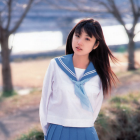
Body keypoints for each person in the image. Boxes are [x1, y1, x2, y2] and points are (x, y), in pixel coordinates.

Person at [39, 18, 119, 140]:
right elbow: (44, 101)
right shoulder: (56, 65)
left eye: (87, 39)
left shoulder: (99, 73)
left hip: (86, 132)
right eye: (77, 36)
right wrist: (48, 133)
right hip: (57, 131)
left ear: (96, 44)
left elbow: (95, 108)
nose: (79, 42)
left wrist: (82, 123)